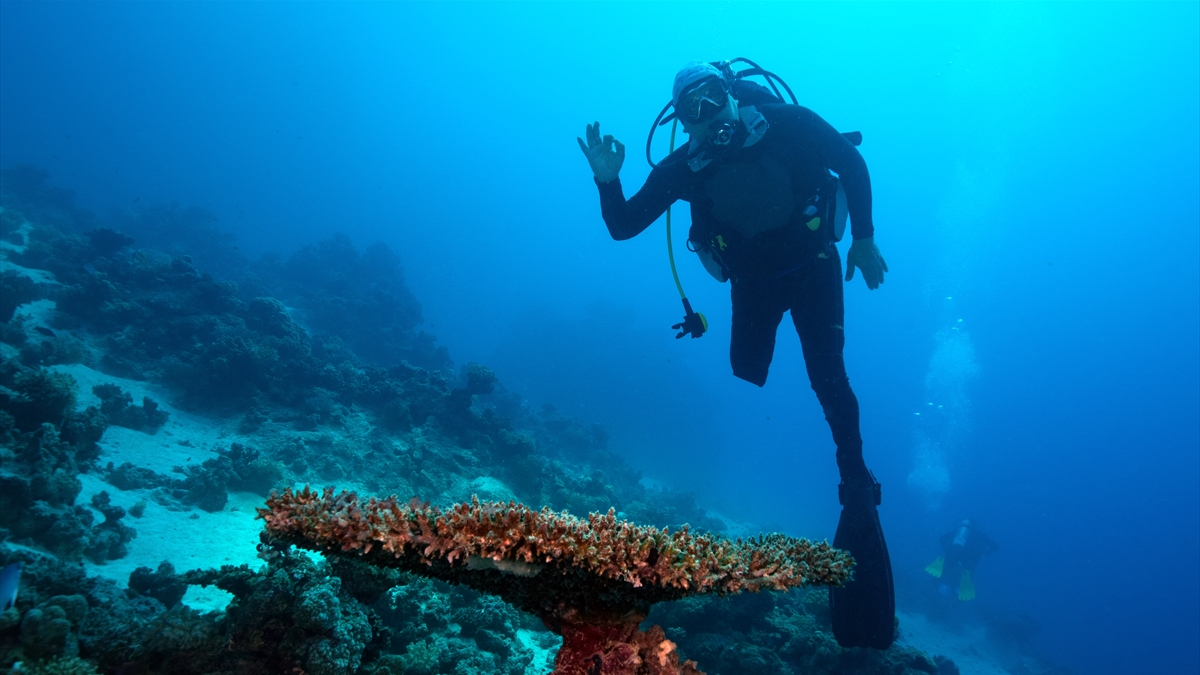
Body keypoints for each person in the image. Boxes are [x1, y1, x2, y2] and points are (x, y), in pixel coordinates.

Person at [578, 61, 894, 649]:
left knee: (829, 378)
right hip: (754, 282)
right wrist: (606, 179)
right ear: (682, 121)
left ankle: (854, 479)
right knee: (747, 372)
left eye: (713, 99)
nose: (707, 115)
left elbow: (849, 162)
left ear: (730, 96)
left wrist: (865, 237)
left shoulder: (788, 123)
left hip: (814, 267)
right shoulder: (682, 167)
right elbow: (624, 227)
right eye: (691, 109)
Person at [926, 519, 998, 601]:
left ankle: (934, 593)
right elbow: (995, 546)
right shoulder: (980, 535)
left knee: (943, 575)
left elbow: (942, 539)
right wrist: (984, 551)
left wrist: (947, 551)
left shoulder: (957, 532)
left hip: (952, 557)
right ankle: (955, 598)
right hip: (969, 561)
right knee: (963, 579)